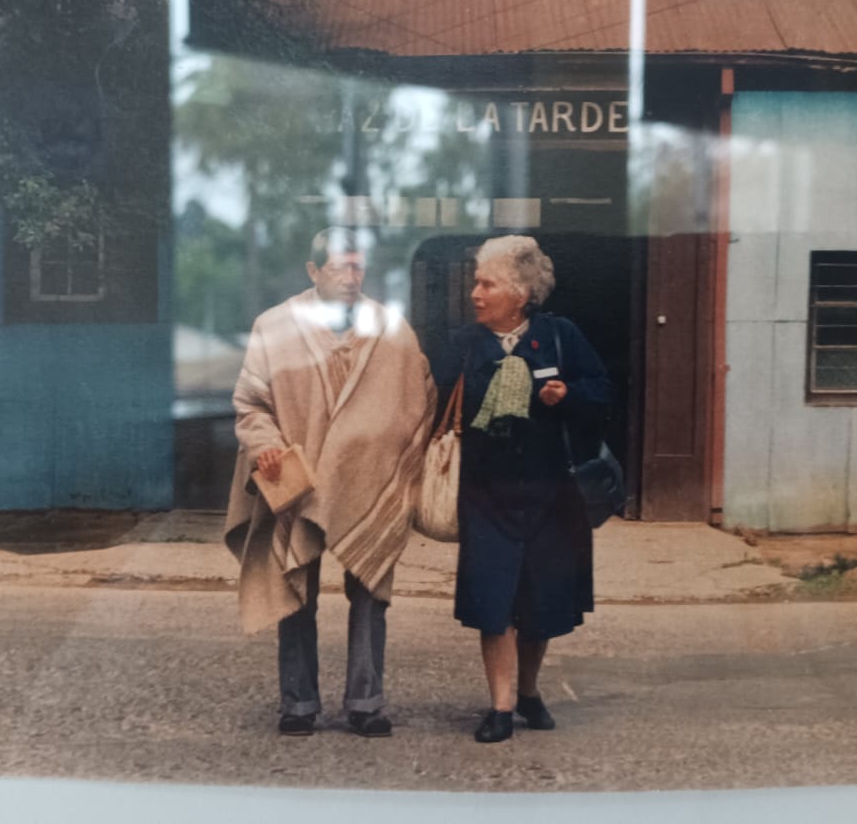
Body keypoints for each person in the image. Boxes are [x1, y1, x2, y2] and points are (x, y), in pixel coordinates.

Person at [224, 227, 435, 738]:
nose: (350, 276)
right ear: (313, 270)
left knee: (371, 591)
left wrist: (394, 457)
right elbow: (251, 404)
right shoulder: (275, 326)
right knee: (296, 588)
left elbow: (422, 397)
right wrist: (265, 443)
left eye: (357, 267)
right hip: (298, 481)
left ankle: (366, 703)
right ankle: (298, 704)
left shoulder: (392, 330)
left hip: (367, 483)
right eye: (339, 267)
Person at [430, 235, 613, 743]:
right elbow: (430, 398)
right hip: (486, 496)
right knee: (494, 604)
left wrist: (567, 394)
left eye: (487, 284)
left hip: (552, 496)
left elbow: (602, 392)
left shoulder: (560, 336)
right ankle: (501, 706)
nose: (475, 293)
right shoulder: (465, 344)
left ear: (520, 293)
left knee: (542, 604)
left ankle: (529, 691)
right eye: (476, 283)